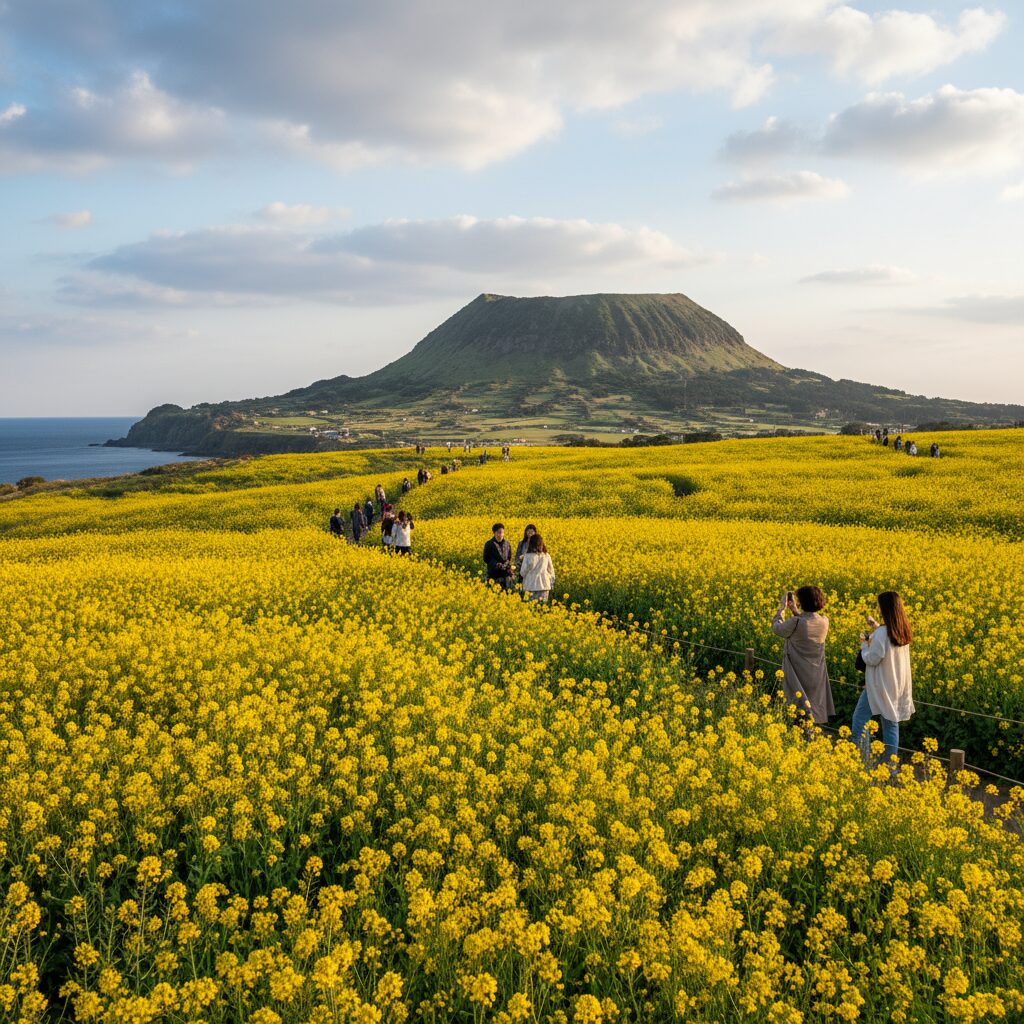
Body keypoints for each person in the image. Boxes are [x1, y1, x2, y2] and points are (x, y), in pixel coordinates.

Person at [852, 591, 914, 769]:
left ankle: (858, 761)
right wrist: (876, 627)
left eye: (879, 604)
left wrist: (864, 643)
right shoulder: (902, 630)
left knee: (859, 719)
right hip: (896, 684)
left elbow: (872, 658)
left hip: (878, 686)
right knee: (891, 724)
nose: (877, 607)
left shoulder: (882, 633)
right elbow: (887, 641)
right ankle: (891, 768)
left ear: (885, 608)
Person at [771, 586, 834, 732]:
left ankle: (800, 741)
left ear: (802, 602)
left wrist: (782, 608)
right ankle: (810, 738)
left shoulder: (796, 622)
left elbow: (777, 628)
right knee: (812, 709)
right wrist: (795, 611)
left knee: (797, 710)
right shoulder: (824, 621)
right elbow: (806, 623)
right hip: (815, 674)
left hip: (797, 673)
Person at [520, 533, 555, 603]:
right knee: (542, 609)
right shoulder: (546, 556)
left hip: (530, 585)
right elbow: (552, 572)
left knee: (531, 610)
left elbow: (522, 573)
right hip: (544, 586)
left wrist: (529, 568)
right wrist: (550, 582)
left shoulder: (527, 556)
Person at [483, 523, 513, 591]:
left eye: (502, 532)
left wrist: (507, 563)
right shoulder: (489, 544)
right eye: (498, 532)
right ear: (494, 533)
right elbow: (486, 558)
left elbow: (509, 557)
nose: (501, 535)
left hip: (505, 574)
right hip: (494, 574)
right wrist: (496, 564)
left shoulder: (507, 544)